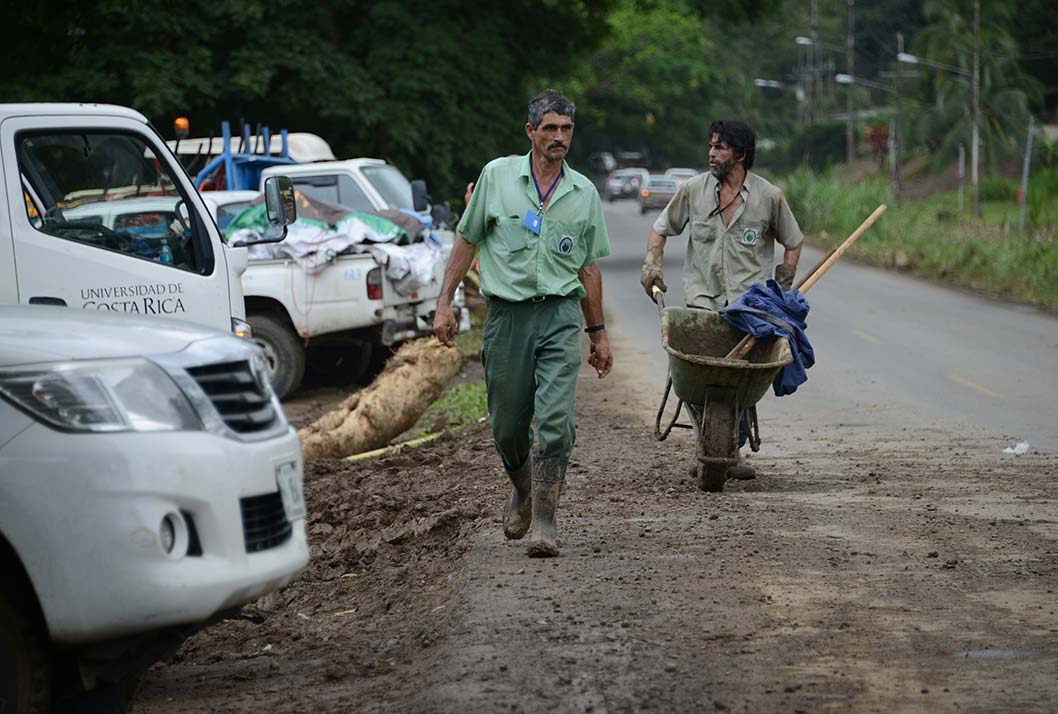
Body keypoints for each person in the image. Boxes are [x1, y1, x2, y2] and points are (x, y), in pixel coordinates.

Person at [434, 89, 613, 558]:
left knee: (555, 423)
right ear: (530, 132)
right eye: (550, 128)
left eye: (567, 129)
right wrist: (444, 304)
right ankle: (523, 486)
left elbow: (588, 268)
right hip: (507, 317)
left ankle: (545, 521)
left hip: (558, 315)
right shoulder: (496, 177)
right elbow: (467, 241)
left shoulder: (583, 193)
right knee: (507, 427)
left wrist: (598, 335)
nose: (559, 137)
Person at [640, 119, 803, 480]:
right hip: (702, 304)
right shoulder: (694, 191)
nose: (711, 154)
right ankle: (710, 441)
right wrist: (652, 262)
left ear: (741, 154)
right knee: (697, 378)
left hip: (750, 308)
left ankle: (731, 445)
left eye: (720, 148)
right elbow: (660, 229)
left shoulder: (769, 197)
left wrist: (784, 285)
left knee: (741, 381)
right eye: (711, 146)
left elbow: (792, 241)